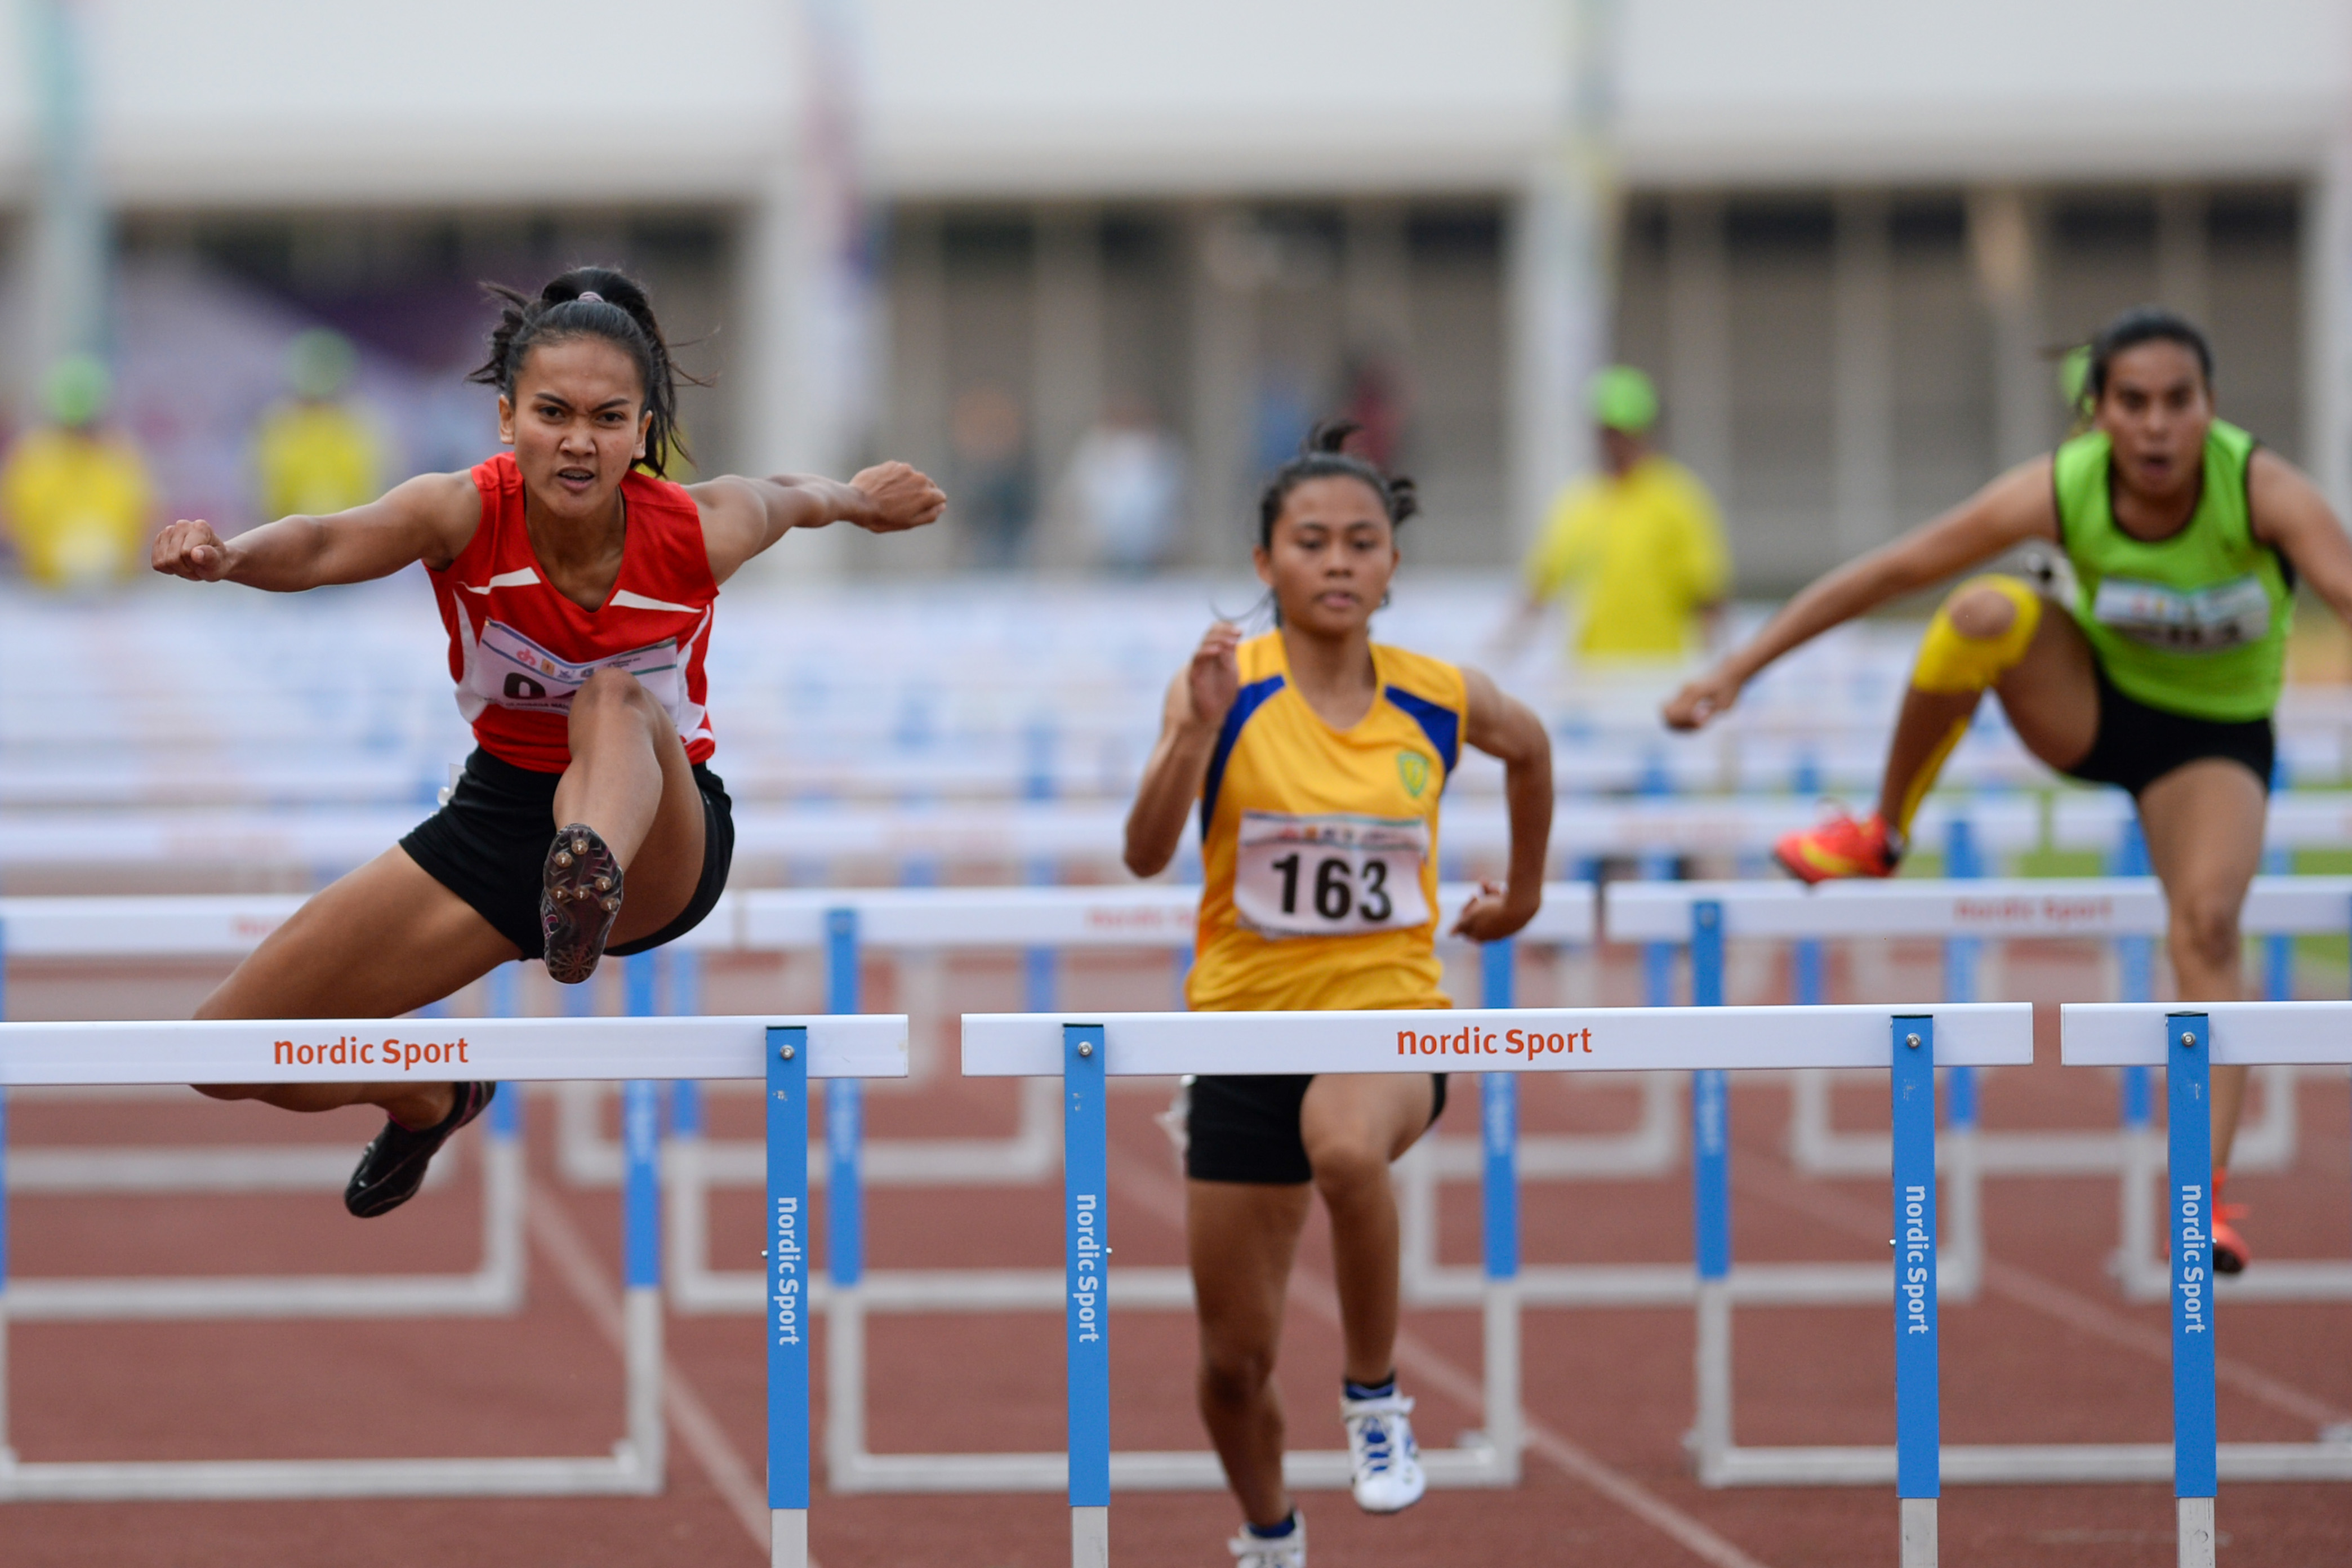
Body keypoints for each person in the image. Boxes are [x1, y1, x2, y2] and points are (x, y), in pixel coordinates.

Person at [151, 266, 944, 1219]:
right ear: (505, 417)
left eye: (609, 418)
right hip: (501, 817)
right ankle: (429, 1097)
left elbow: (793, 494)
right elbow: (325, 540)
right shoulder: (463, 511)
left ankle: (587, 871)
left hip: (655, 835)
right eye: (553, 413)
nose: (578, 441)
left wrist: (860, 496)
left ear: (642, 429)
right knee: (224, 1047)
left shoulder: (700, 526)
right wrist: (229, 556)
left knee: (610, 697)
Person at [1666, 306, 2352, 1276]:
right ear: (2097, 415)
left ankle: (2199, 1201)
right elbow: (1891, 570)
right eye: (2132, 403)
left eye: (2177, 402)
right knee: (1980, 607)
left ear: (2210, 409)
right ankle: (1882, 830)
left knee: (2205, 924)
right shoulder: (2064, 488)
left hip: (2211, 740)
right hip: (2090, 707)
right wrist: (1738, 667)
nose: (2156, 426)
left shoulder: (2263, 489)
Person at [1124, 422, 1553, 1567]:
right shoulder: (1228, 689)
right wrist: (1191, 737)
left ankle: (1375, 1398)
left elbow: (1533, 746)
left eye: (1363, 542)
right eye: (1310, 542)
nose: (1339, 562)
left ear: (1392, 566)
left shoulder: (1438, 697)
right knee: (1232, 1366)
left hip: (1390, 1014)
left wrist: (1523, 898)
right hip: (1244, 1030)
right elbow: (1142, 851)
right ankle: (1271, 1536)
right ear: (1266, 565)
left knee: (1347, 1149)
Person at [1508, 365, 1730, 664]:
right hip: (1591, 676)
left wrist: (1710, 667)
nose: (1611, 443)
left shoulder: (1678, 500)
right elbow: (1540, 588)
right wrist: (1503, 657)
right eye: (1605, 432)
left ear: (1643, 431)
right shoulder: (1579, 502)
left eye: (1620, 432)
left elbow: (1709, 596)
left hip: (1656, 674)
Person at [2, 353, 156, 589]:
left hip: (114, 594)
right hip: (43, 594)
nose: (79, 438)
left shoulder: (122, 460)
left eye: (86, 427)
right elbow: (11, 527)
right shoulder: (33, 461)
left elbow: (145, 522)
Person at [252, 327, 385, 521]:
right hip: (289, 533)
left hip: (349, 530)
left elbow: (370, 484)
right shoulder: (279, 426)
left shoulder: (359, 426)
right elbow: (267, 491)